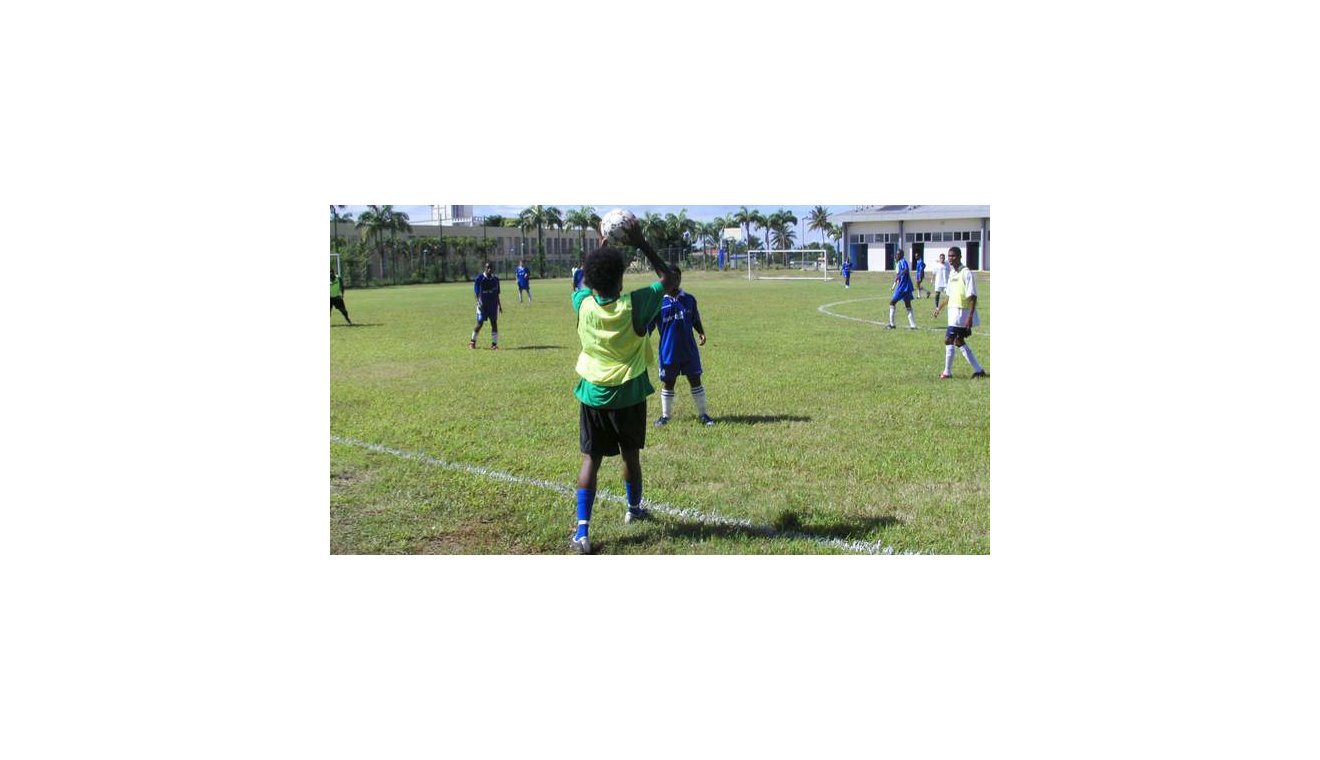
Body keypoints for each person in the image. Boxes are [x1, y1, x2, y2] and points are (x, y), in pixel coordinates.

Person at [569, 225, 678, 555]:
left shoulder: (582, 304)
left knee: (591, 459)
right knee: (630, 455)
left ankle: (582, 531)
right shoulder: (637, 303)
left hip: (592, 392)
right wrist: (642, 242)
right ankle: (633, 508)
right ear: (620, 279)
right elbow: (671, 280)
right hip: (628, 394)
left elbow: (583, 284)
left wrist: (597, 253)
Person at [648, 268, 714, 427]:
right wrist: (642, 339)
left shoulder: (689, 299)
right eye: (671, 278)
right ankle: (665, 416)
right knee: (668, 382)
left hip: (689, 351)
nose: (675, 281)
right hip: (668, 352)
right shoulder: (657, 303)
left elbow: (695, 318)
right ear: (663, 280)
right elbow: (648, 327)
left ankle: (703, 414)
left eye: (677, 277)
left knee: (695, 380)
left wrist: (701, 332)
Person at [932, 247, 988, 379]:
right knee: (958, 341)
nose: (951, 259)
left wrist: (970, 318)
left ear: (959, 256)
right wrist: (939, 308)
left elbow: (973, 297)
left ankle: (947, 372)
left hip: (962, 313)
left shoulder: (966, 272)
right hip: (952, 311)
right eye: (949, 256)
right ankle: (979, 370)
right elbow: (949, 295)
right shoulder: (952, 273)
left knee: (948, 339)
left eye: (953, 256)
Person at [468, 261, 502, 350]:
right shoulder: (479, 279)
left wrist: (500, 305)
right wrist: (478, 303)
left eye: (491, 267)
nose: (489, 269)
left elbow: (497, 294)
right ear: (485, 268)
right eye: (488, 267)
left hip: (493, 305)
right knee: (480, 323)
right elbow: (476, 293)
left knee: (494, 323)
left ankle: (494, 345)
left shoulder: (496, 280)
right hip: (482, 305)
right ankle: (472, 342)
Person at [887, 252, 918, 329]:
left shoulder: (902, 261)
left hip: (902, 287)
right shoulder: (899, 262)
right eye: (896, 254)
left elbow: (906, 270)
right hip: (906, 287)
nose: (896, 255)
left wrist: (899, 276)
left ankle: (892, 325)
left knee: (892, 302)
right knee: (908, 305)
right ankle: (913, 325)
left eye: (897, 254)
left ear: (901, 255)